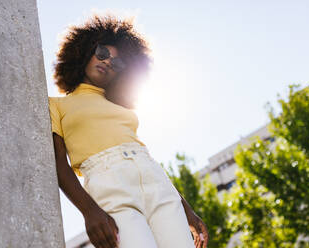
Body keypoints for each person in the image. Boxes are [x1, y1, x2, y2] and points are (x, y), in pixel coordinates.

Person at [48, 13, 208, 248]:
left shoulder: (119, 107)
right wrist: (89, 211)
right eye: (102, 53)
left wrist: (187, 208)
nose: (107, 62)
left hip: (155, 181)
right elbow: (58, 161)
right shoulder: (57, 105)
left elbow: (145, 157)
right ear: (84, 52)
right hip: (109, 183)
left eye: (118, 62)